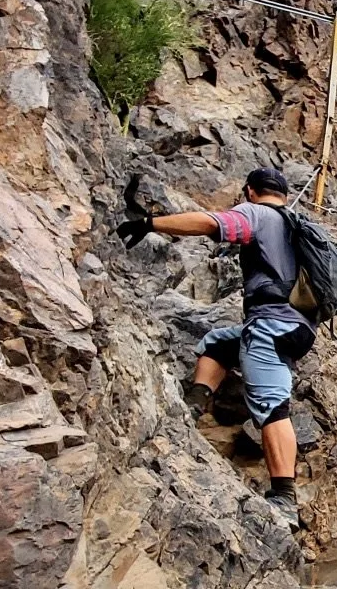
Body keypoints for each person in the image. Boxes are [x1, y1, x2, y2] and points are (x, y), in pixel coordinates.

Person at [114, 166, 314, 511]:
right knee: (219, 343)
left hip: (270, 324)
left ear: (250, 190)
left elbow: (213, 224)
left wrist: (150, 224)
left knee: (271, 405)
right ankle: (195, 402)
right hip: (300, 327)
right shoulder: (297, 225)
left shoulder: (257, 213)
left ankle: (284, 497)